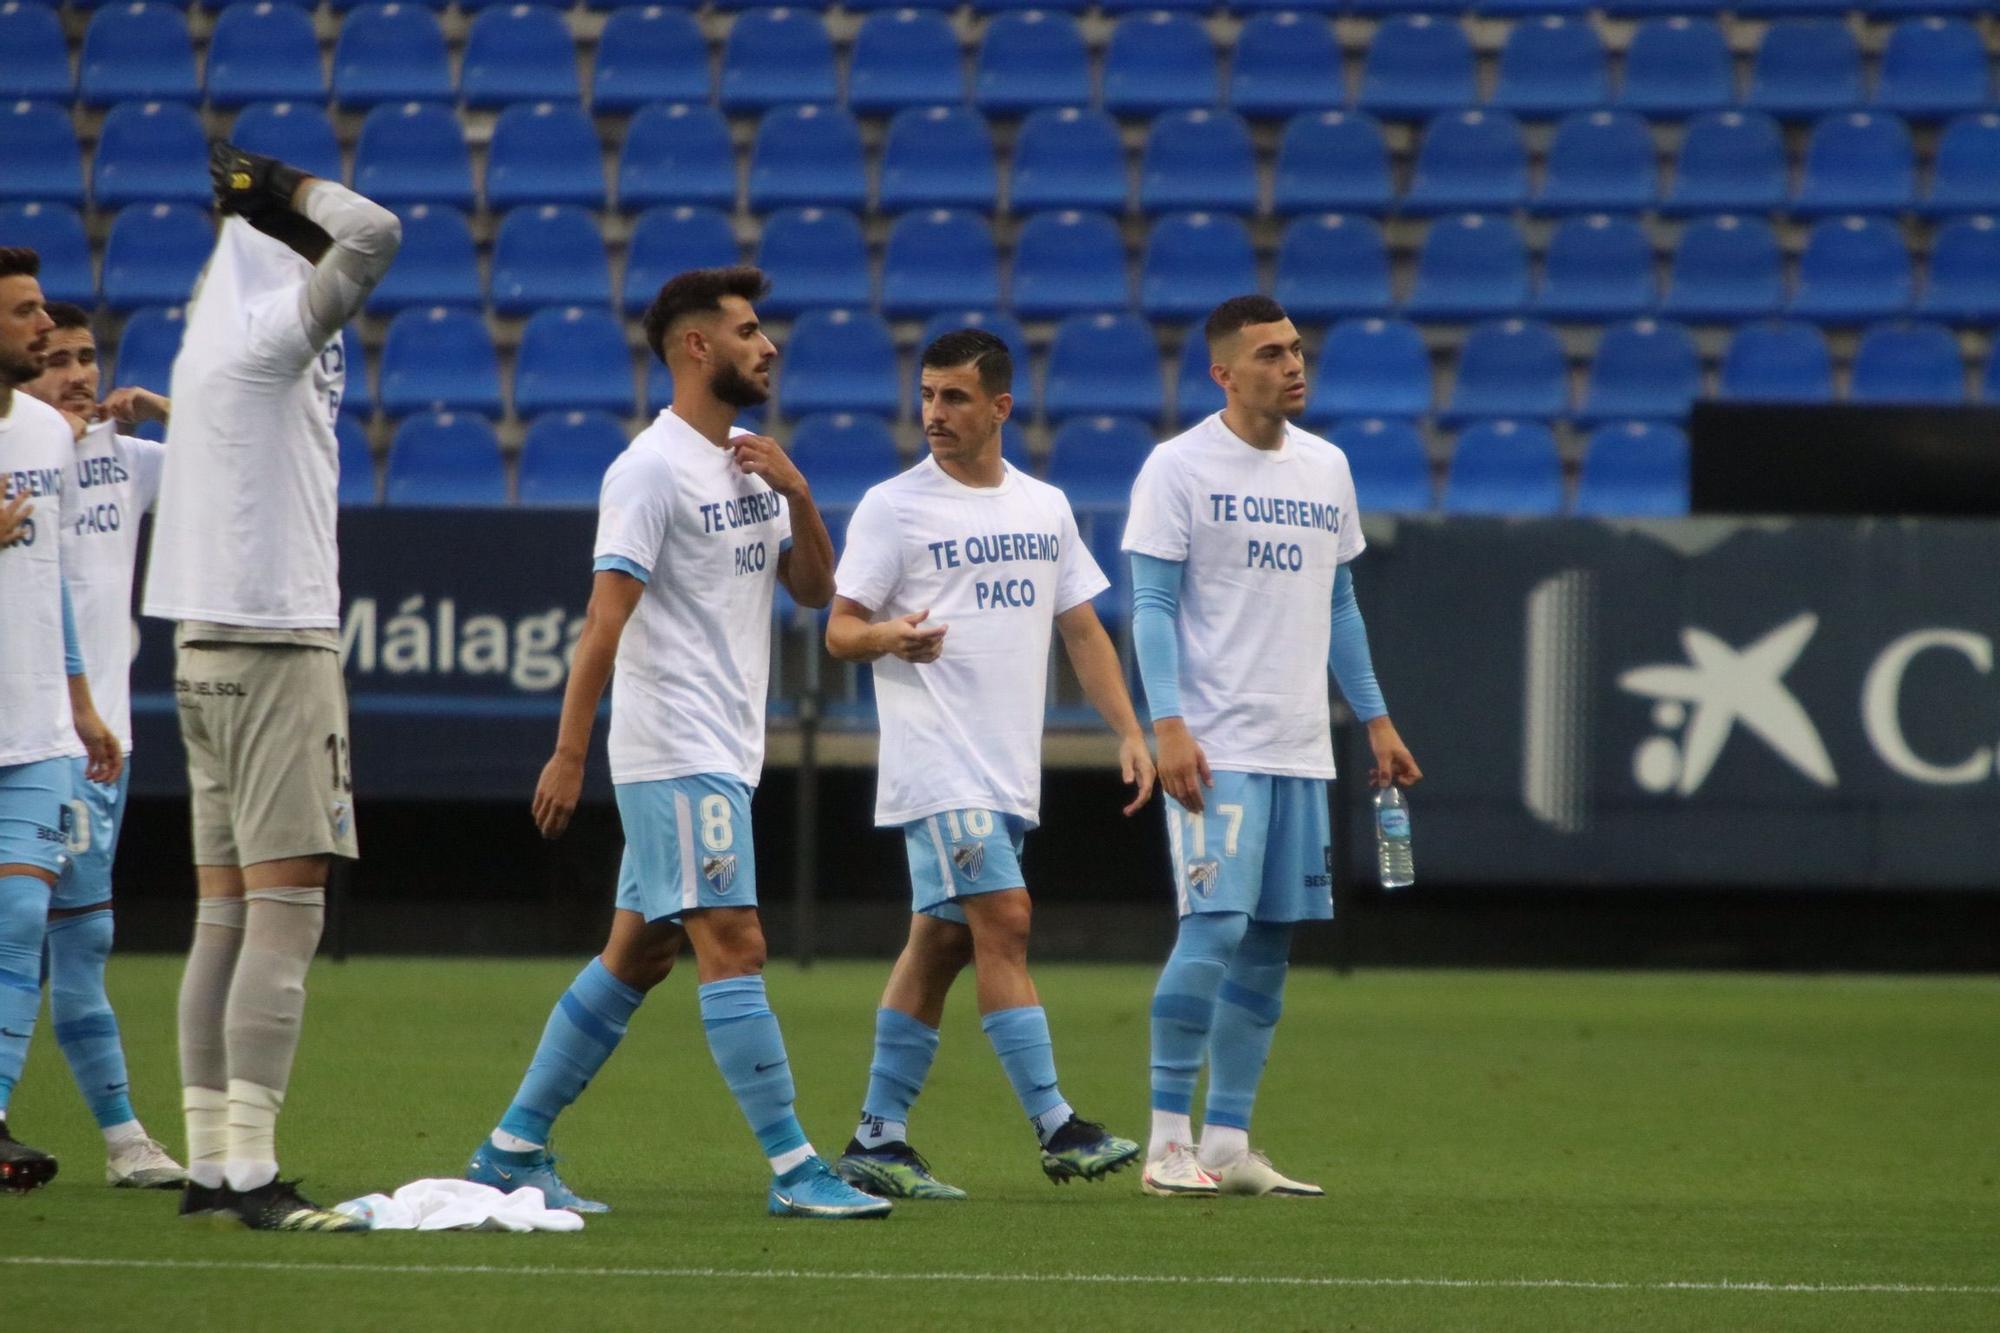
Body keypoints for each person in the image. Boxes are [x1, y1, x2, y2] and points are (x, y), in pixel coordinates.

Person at [464, 266, 887, 1221]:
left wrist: (802, 494)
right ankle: (794, 1166)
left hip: (725, 746)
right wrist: (571, 753)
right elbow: (602, 624)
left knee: (638, 955)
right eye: (746, 331)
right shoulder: (648, 470)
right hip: (675, 744)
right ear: (697, 347)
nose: (767, 344)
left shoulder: (751, 461)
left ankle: (509, 1148)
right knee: (735, 943)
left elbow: (816, 593)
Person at [825, 329, 1153, 1200]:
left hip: (1006, 770)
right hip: (939, 762)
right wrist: (890, 636)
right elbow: (839, 626)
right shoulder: (893, 506)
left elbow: (1082, 626)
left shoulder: (1044, 507)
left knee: (940, 945)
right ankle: (1056, 1124)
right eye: (928, 395)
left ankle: (876, 1139)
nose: (935, 412)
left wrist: (1129, 729)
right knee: (1005, 917)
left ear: (1001, 406)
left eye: (955, 397)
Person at [142, 145, 400, 1230]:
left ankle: (210, 1164)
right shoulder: (266, 336)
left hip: (203, 650)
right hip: (275, 643)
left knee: (225, 917)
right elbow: (376, 232)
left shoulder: (212, 344)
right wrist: (292, 186)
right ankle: (250, 1170)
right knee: (288, 918)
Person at [1123, 295, 1422, 1199]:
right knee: (1211, 929)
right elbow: (1152, 606)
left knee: (1270, 943)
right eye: (1270, 354)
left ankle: (1227, 1139)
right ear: (1223, 372)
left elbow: (1338, 605)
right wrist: (1168, 723)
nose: (1294, 366)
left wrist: (1374, 716)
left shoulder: (1327, 466)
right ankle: (1165, 1140)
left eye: (1297, 349)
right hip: (1217, 744)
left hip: (1300, 745)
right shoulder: (1177, 467)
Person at [19, 301, 184, 1188]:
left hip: (99, 747)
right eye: (58, 360)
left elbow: (251, 462)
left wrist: (161, 408)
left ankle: (124, 1143)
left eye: (87, 358)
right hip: (29, 736)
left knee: (79, 944)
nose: (79, 374)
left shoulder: (129, 463)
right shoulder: (20, 462)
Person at [0, 247, 123, 1190]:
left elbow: (54, 584)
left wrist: (81, 705)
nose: (45, 328)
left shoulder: (46, 433)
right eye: (25, 312)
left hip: (37, 726)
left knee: (20, 914)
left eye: (40, 308)